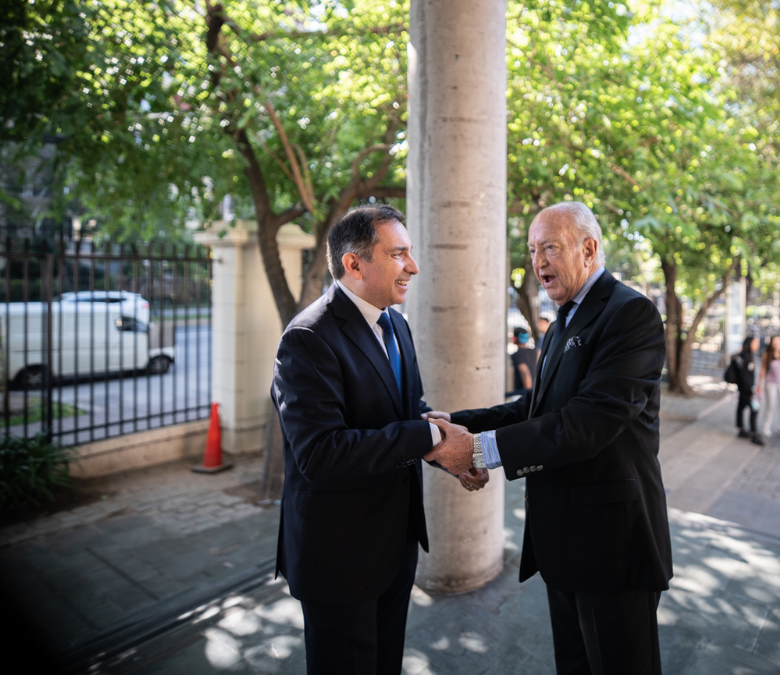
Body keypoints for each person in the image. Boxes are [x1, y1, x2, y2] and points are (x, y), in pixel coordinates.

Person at [425, 202, 671, 675]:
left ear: (589, 249)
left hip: (612, 549)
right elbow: (535, 409)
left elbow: (587, 423)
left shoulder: (631, 314)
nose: (538, 262)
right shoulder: (562, 320)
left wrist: (477, 450)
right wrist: (456, 422)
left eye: (550, 248)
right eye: (533, 250)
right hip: (565, 545)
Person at [270, 205, 480, 675]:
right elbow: (321, 455)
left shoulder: (396, 324)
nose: (413, 266)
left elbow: (405, 416)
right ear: (354, 263)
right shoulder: (307, 337)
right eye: (399, 253)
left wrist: (446, 451)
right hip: (338, 558)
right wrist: (428, 433)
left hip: (394, 546)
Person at [727, 335, 762, 444]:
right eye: (755, 343)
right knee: (754, 409)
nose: (757, 345)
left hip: (743, 387)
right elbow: (745, 376)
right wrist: (751, 391)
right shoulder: (746, 356)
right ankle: (754, 433)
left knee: (741, 407)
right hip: (746, 388)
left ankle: (741, 428)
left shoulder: (746, 355)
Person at [507, 326, 537, 398]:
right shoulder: (534, 351)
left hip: (523, 393)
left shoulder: (516, 355)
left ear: (515, 338)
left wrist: (528, 395)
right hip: (535, 389)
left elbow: (525, 373)